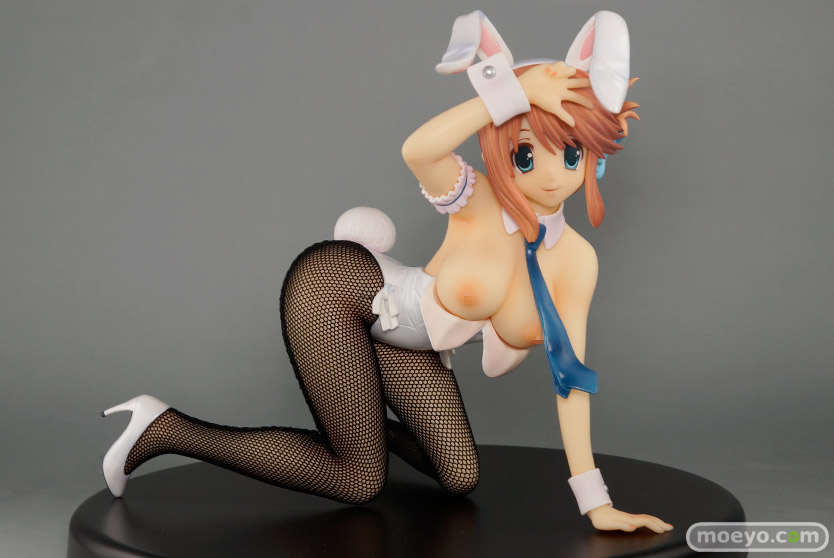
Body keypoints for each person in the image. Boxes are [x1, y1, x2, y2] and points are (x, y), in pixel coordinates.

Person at [101, 10, 672, 533]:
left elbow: (571, 379)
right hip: (340, 288)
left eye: (570, 154)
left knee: (460, 475)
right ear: (502, 149)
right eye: (526, 154)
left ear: (592, 154)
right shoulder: (476, 200)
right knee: (358, 479)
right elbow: (418, 150)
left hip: (404, 341)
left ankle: (361, 414)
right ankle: (162, 428)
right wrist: (513, 92)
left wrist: (596, 503)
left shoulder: (576, 260)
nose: (550, 175)